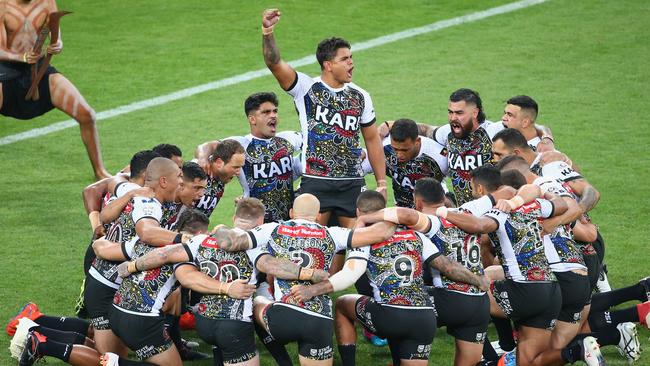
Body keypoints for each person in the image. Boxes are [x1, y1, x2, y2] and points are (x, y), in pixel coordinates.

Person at [290, 190, 491, 366]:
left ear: (358, 212)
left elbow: (351, 274)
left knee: (343, 304)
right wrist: (477, 279)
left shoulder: (363, 236)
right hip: (423, 318)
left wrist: (312, 290)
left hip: (389, 316)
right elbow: (447, 266)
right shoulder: (416, 235)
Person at [441, 166, 605, 366]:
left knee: (471, 297)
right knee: (539, 359)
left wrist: (443, 212)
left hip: (543, 283)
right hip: (573, 280)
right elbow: (563, 204)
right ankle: (580, 349)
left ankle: (498, 351)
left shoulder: (500, 211)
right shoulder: (537, 205)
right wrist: (541, 194)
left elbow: (479, 226)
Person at [210, 193, 396, 366]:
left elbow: (229, 242)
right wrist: (371, 218)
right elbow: (381, 232)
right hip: (319, 319)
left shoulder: (272, 229)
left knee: (257, 300)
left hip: (282, 317)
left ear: (291, 213)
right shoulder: (334, 233)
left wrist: (220, 229)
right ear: (317, 216)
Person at [260, 8, 387, 230]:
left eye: (351, 58)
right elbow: (274, 62)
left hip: (351, 182)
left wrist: (381, 182)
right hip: (316, 181)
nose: (351, 63)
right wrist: (268, 31)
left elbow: (372, 139)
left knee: (360, 242)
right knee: (310, 242)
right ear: (328, 64)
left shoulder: (360, 96)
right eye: (345, 59)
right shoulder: (305, 89)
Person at [0, 0, 108, 179]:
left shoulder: (47, 2)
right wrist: (23, 57)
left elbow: (55, 36)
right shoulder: (3, 5)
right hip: (6, 70)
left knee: (87, 115)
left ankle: (100, 172)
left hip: (38, 68)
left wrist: (57, 45)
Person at [196, 92, 303, 222]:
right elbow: (206, 146)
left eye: (275, 111)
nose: (273, 115)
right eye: (266, 112)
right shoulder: (241, 144)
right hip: (255, 221)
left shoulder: (288, 138)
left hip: (288, 219)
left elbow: (314, 144)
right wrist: (202, 158)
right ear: (252, 119)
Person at [363, 118, 448, 208]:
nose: (399, 155)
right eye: (395, 149)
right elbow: (362, 162)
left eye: (404, 150)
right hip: (401, 211)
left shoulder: (439, 156)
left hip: (433, 212)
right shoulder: (385, 148)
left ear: (417, 141)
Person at [194, 139, 245, 218]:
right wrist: (202, 157)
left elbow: (213, 144)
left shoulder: (221, 178)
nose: (238, 173)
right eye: (235, 167)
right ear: (219, 163)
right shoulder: (197, 172)